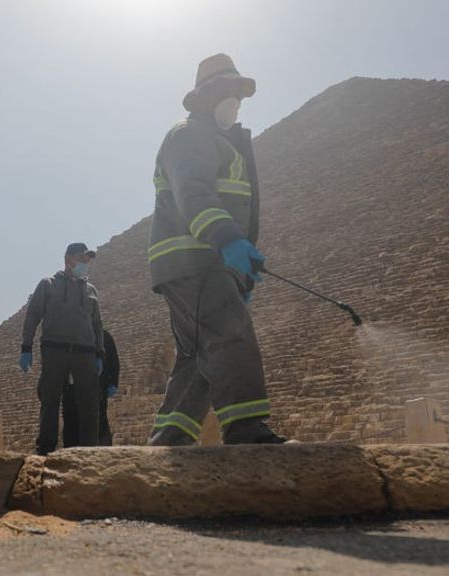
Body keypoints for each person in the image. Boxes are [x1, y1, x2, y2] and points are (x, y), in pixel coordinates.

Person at [146, 53, 286, 445]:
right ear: (205, 96)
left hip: (207, 258)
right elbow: (194, 194)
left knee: (198, 355)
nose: (236, 102)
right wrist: (228, 241)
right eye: (228, 92)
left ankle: (170, 436)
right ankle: (245, 428)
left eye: (240, 94)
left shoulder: (224, 142)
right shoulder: (189, 135)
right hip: (193, 257)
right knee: (230, 333)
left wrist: (241, 262)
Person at [19, 242, 105, 455]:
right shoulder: (48, 284)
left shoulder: (91, 290)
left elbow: (97, 325)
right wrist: (26, 346)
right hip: (54, 348)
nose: (85, 264)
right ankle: (45, 449)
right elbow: (32, 316)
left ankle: (89, 451)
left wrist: (99, 353)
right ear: (68, 259)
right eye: (81, 259)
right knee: (50, 399)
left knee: (89, 402)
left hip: (84, 351)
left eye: (87, 260)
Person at [62, 329, 120, 447]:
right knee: (71, 425)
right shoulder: (66, 335)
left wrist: (113, 382)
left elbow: (113, 360)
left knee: (99, 423)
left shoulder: (103, 335)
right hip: (71, 390)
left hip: (97, 388)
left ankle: (102, 456)